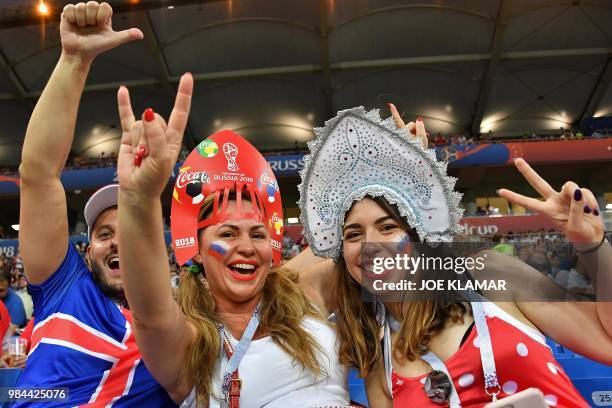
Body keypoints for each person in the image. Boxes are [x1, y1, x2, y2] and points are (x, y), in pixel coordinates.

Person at [292, 105, 612, 407]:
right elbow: (282, 285)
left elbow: (607, 343)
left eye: (388, 227)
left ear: (419, 236)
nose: (370, 245)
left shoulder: (489, 275)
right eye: (353, 235)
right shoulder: (379, 357)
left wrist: (593, 245)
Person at [115, 85, 349, 407]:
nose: (246, 247)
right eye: (227, 234)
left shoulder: (305, 293)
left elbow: (378, 258)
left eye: (257, 234)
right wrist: (138, 200)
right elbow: (149, 313)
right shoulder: (189, 342)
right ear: (196, 250)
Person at [16, 2, 176, 406]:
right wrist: (73, 60)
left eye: (133, 233)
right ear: (88, 252)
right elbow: (38, 175)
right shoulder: (62, 288)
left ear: (162, 252)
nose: (118, 243)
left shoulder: (181, 330)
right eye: (105, 234)